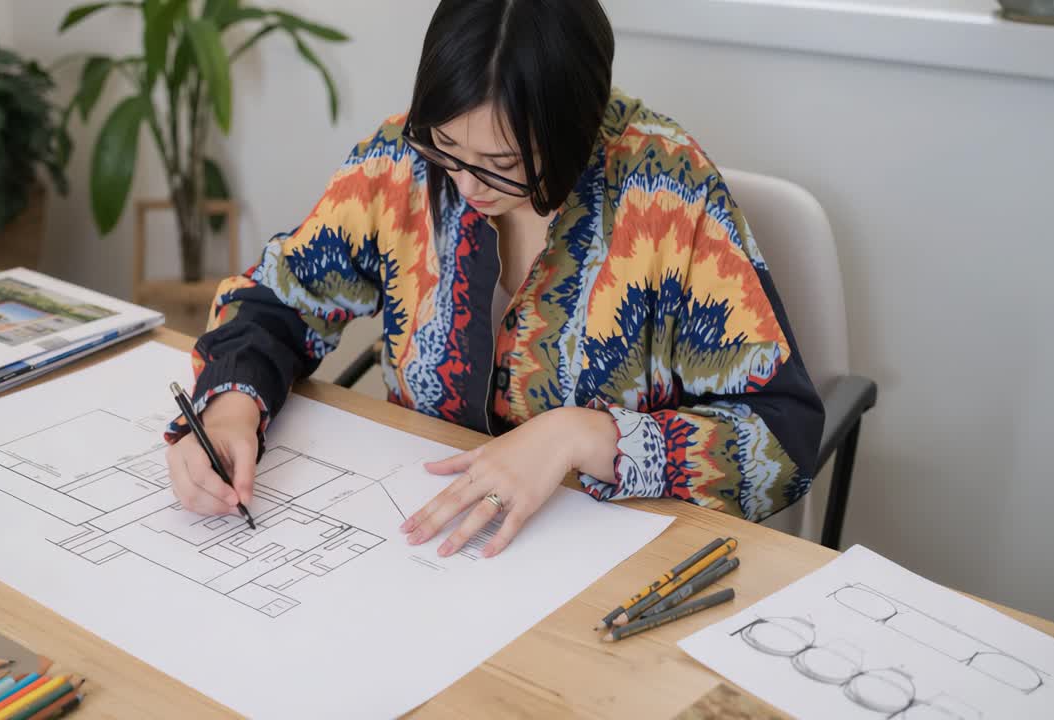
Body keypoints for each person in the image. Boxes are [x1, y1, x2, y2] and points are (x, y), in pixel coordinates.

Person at [166, 0, 824, 559]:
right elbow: (278, 300)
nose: (466, 186)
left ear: (577, 126)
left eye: (501, 163)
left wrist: (584, 435)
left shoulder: (665, 193)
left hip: (604, 570)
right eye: (447, 150)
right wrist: (230, 408)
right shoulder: (404, 159)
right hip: (424, 552)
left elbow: (780, 438)